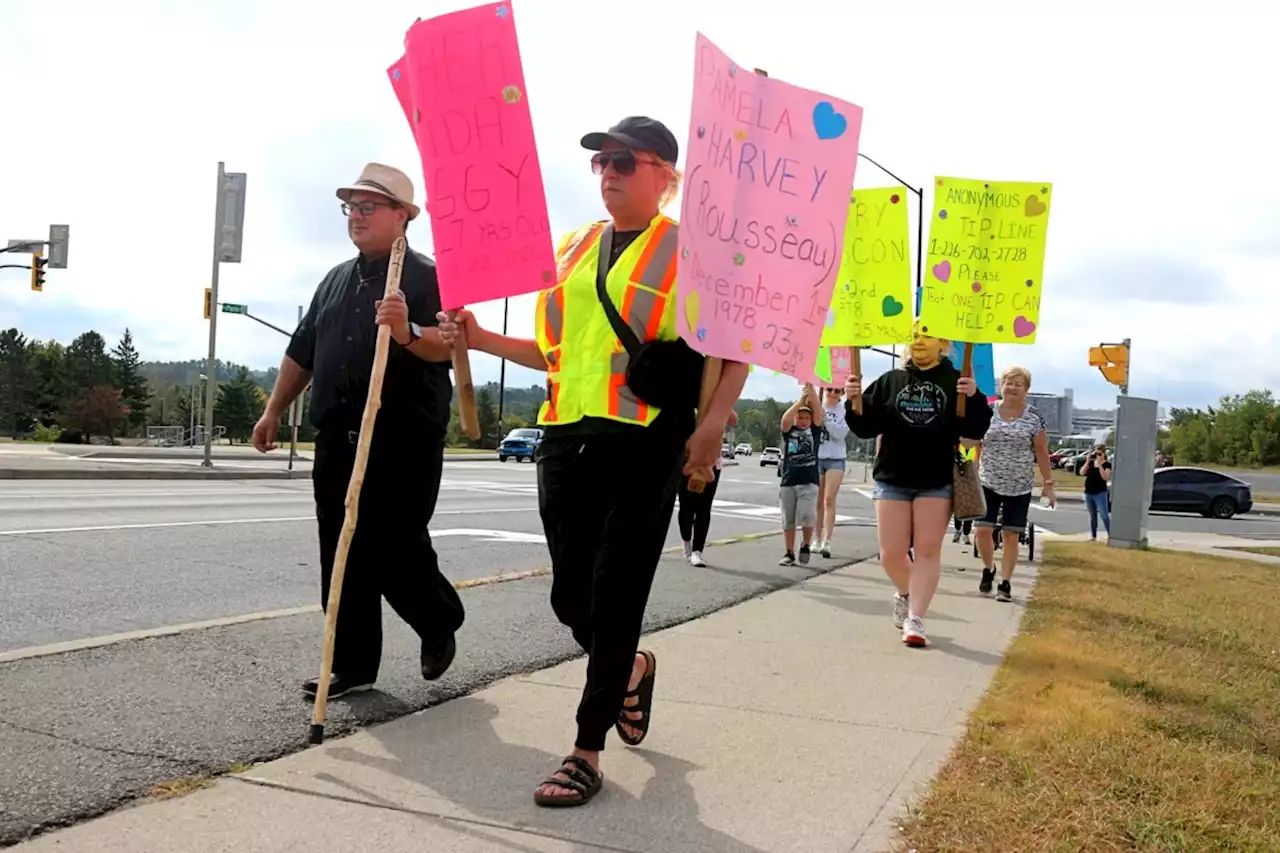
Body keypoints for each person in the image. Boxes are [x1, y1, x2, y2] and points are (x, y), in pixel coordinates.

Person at [437, 116, 748, 807]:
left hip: (644, 439)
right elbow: (553, 349)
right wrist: (483, 336)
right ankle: (630, 668)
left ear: (665, 175)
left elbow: (734, 350)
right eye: (599, 162)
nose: (607, 171)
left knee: (616, 593)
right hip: (563, 434)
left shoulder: (694, 251)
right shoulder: (573, 246)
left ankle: (586, 748)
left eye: (622, 161)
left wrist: (715, 424)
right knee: (569, 595)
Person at [253, 163, 465, 698]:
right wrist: (274, 409)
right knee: (341, 550)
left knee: (395, 546)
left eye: (371, 206)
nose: (358, 215)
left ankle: (438, 619)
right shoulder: (334, 281)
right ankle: (350, 663)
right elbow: (302, 352)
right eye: (352, 206)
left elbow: (451, 346)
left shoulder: (426, 275)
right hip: (337, 438)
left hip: (404, 439)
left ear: (403, 216)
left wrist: (406, 330)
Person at [844, 325, 992, 647]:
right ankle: (907, 591)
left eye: (927, 333)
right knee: (891, 553)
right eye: (914, 333)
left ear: (943, 343)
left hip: (935, 479)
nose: (919, 339)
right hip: (893, 477)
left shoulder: (956, 381)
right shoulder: (890, 381)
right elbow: (865, 427)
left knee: (927, 549)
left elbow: (977, 427)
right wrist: (853, 400)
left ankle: (916, 618)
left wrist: (975, 397)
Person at [974, 366, 1056, 601]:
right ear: (1002, 386)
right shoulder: (987, 411)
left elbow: (1041, 451)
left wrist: (1048, 484)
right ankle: (988, 568)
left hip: (1019, 485)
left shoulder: (1034, 417)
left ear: (1026, 390)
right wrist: (970, 469)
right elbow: (976, 444)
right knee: (982, 530)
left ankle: (1005, 583)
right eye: (1009, 383)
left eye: (1018, 384)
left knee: (1011, 535)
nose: (1012, 388)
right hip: (988, 480)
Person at [678, 410, 738, 567]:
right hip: (688, 459)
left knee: (704, 508)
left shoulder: (716, 400)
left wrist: (718, 401)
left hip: (711, 461)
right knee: (686, 508)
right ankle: (686, 542)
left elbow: (732, 419)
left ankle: (697, 552)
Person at [778, 385, 824, 566]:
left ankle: (805, 544)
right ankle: (789, 552)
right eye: (800, 417)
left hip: (808, 480)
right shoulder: (790, 432)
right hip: (789, 480)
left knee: (807, 515)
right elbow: (784, 420)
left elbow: (819, 413)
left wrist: (811, 391)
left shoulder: (814, 431)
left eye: (807, 418)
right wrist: (800, 401)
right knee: (788, 519)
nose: (803, 421)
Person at [815, 385, 851, 558]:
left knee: (829, 499)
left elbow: (841, 434)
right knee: (817, 501)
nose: (832, 394)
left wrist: (826, 421)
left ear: (842, 393)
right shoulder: (818, 406)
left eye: (837, 391)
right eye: (829, 389)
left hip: (836, 458)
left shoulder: (844, 410)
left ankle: (826, 541)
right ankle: (815, 538)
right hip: (818, 457)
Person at [952, 440, 979, 547]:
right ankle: (958, 529)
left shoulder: (976, 447)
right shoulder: (958, 447)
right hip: (959, 479)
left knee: (970, 507)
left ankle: (966, 533)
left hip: (973, 480)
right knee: (959, 505)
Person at [1082, 444, 1113, 540]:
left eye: (1100, 454)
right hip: (1089, 492)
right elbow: (1082, 472)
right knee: (1092, 515)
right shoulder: (1091, 463)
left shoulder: (1107, 465)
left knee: (1104, 515)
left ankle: (1111, 535)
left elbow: (1106, 477)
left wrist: (1100, 465)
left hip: (1100, 493)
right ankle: (1093, 536)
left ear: (1104, 454)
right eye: (1096, 454)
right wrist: (1087, 462)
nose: (1098, 456)